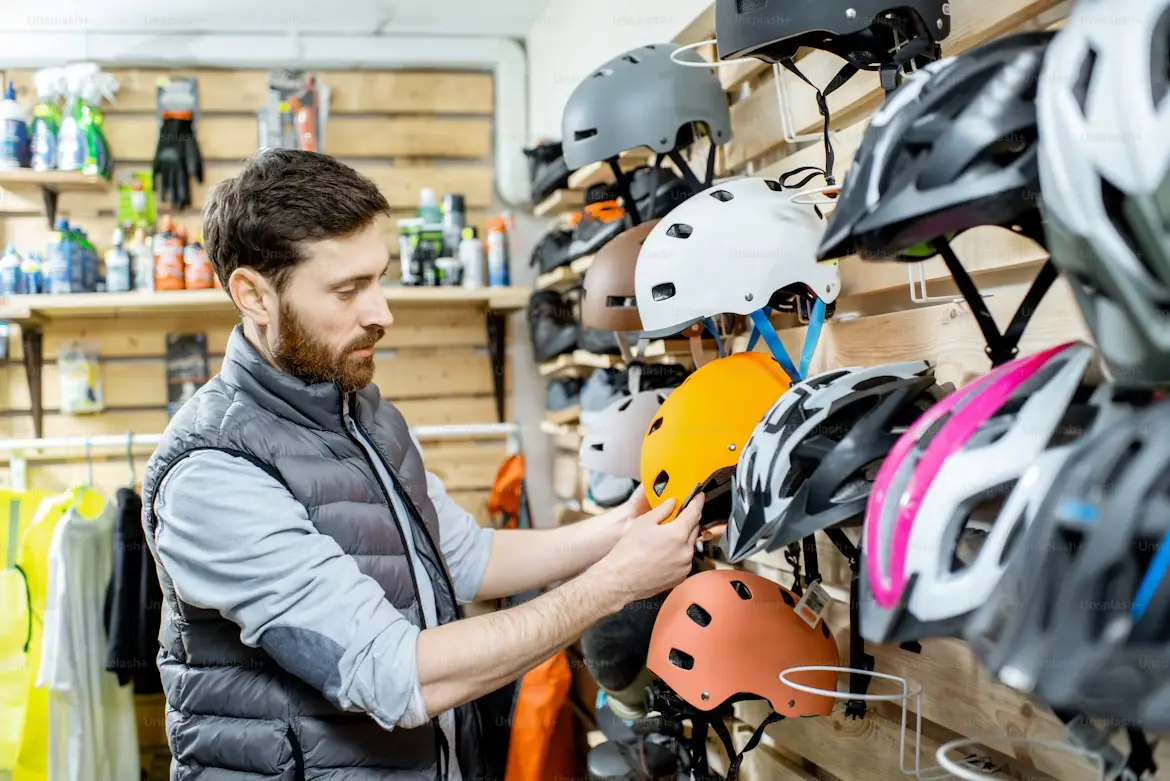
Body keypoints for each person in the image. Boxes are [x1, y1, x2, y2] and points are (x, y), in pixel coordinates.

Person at [140, 148, 704, 781]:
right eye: (347, 290)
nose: (381, 313)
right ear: (253, 295)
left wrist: (620, 530)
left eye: (379, 279)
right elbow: (391, 675)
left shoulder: (367, 417)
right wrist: (615, 585)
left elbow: (462, 557)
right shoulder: (213, 474)